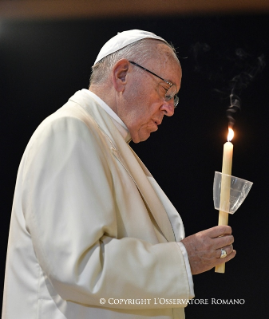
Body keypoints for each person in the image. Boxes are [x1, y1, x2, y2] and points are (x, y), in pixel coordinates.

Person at [2, 30, 236, 319]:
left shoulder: (104, 139)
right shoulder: (69, 131)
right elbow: (78, 266)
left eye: (174, 98)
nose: (169, 109)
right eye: (166, 91)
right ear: (122, 74)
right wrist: (183, 259)